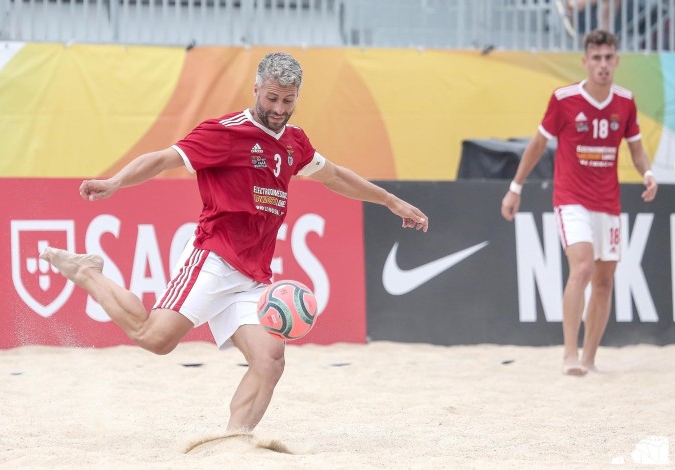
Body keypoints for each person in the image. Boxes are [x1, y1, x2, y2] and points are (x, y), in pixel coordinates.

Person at [40, 51, 429, 430]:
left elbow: (336, 176)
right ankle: (88, 272)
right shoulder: (224, 132)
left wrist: (391, 201)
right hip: (214, 256)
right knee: (156, 339)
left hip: (254, 275)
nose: (278, 108)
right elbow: (162, 159)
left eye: (287, 100)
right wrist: (114, 182)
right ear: (256, 88)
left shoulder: (295, 142)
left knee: (271, 359)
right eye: (271, 98)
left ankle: (234, 440)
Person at [501, 30, 657, 376]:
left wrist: (647, 173)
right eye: (596, 58)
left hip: (608, 202)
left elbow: (635, 150)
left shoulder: (625, 102)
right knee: (583, 268)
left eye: (608, 58)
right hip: (571, 199)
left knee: (604, 281)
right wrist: (515, 187)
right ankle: (569, 355)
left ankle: (589, 360)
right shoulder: (564, 98)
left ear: (617, 61)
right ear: (585, 61)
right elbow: (538, 145)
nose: (603, 64)